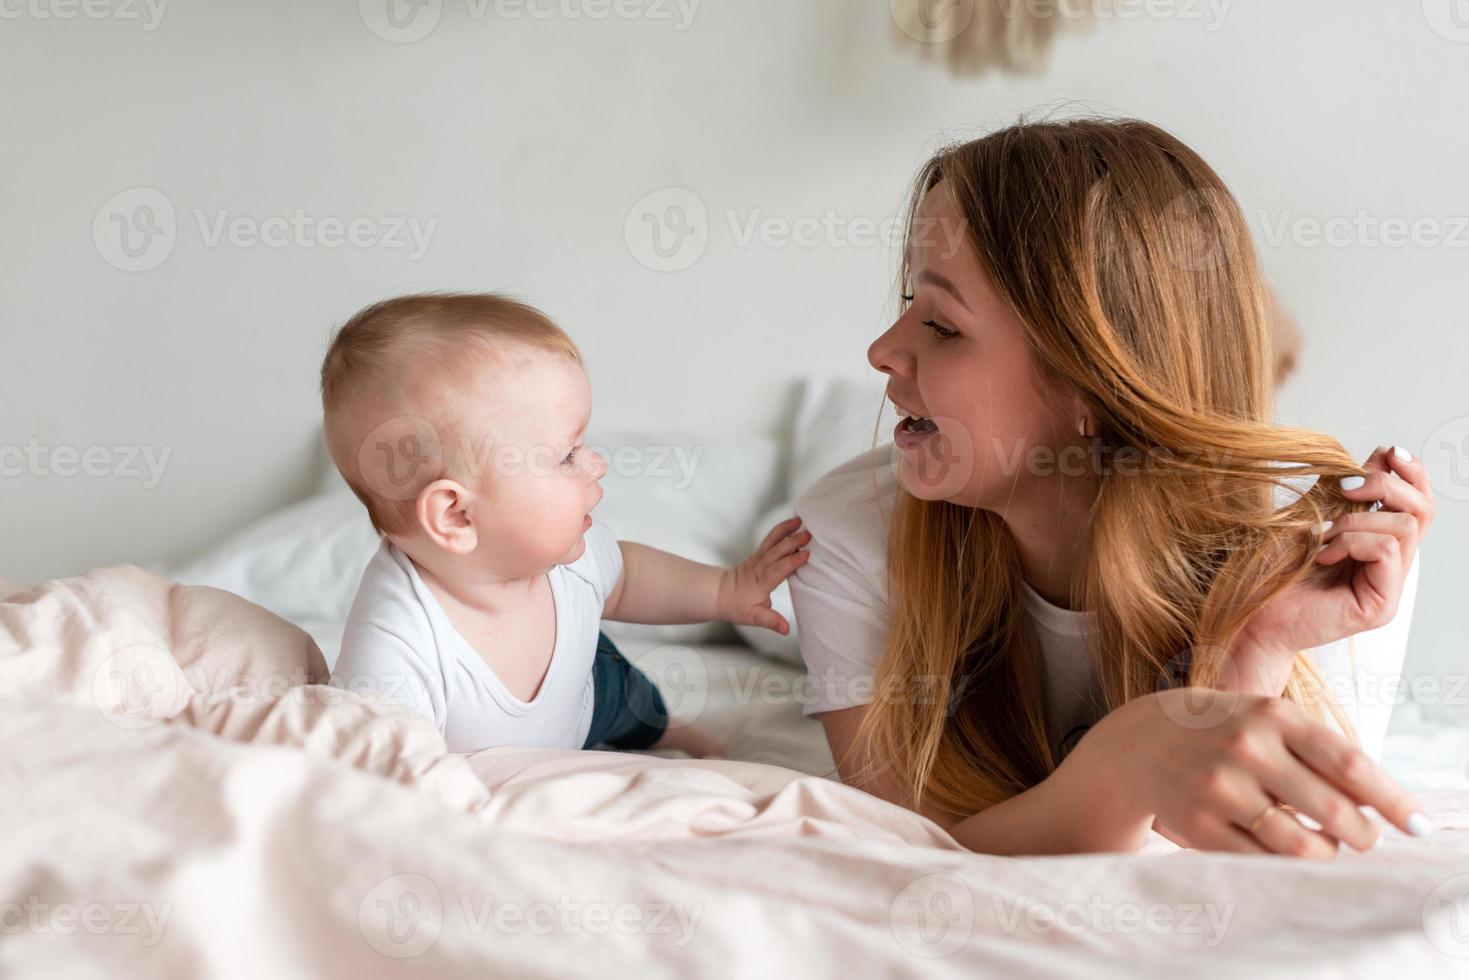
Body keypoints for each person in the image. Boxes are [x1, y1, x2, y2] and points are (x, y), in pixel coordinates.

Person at [789, 118, 1435, 858]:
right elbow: (908, 848)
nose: (879, 351)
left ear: (1092, 387)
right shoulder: (842, 532)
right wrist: (1122, 763)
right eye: (909, 301)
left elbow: (1262, 864)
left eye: (939, 323)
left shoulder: (1317, 556)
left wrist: (1252, 649)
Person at [322, 293, 808, 756]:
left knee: (627, 691)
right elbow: (380, 776)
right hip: (512, 736)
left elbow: (627, 578)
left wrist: (726, 589)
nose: (597, 464)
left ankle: (671, 731)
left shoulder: (565, 555)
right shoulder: (396, 642)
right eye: (568, 454)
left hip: (588, 691)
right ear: (456, 514)